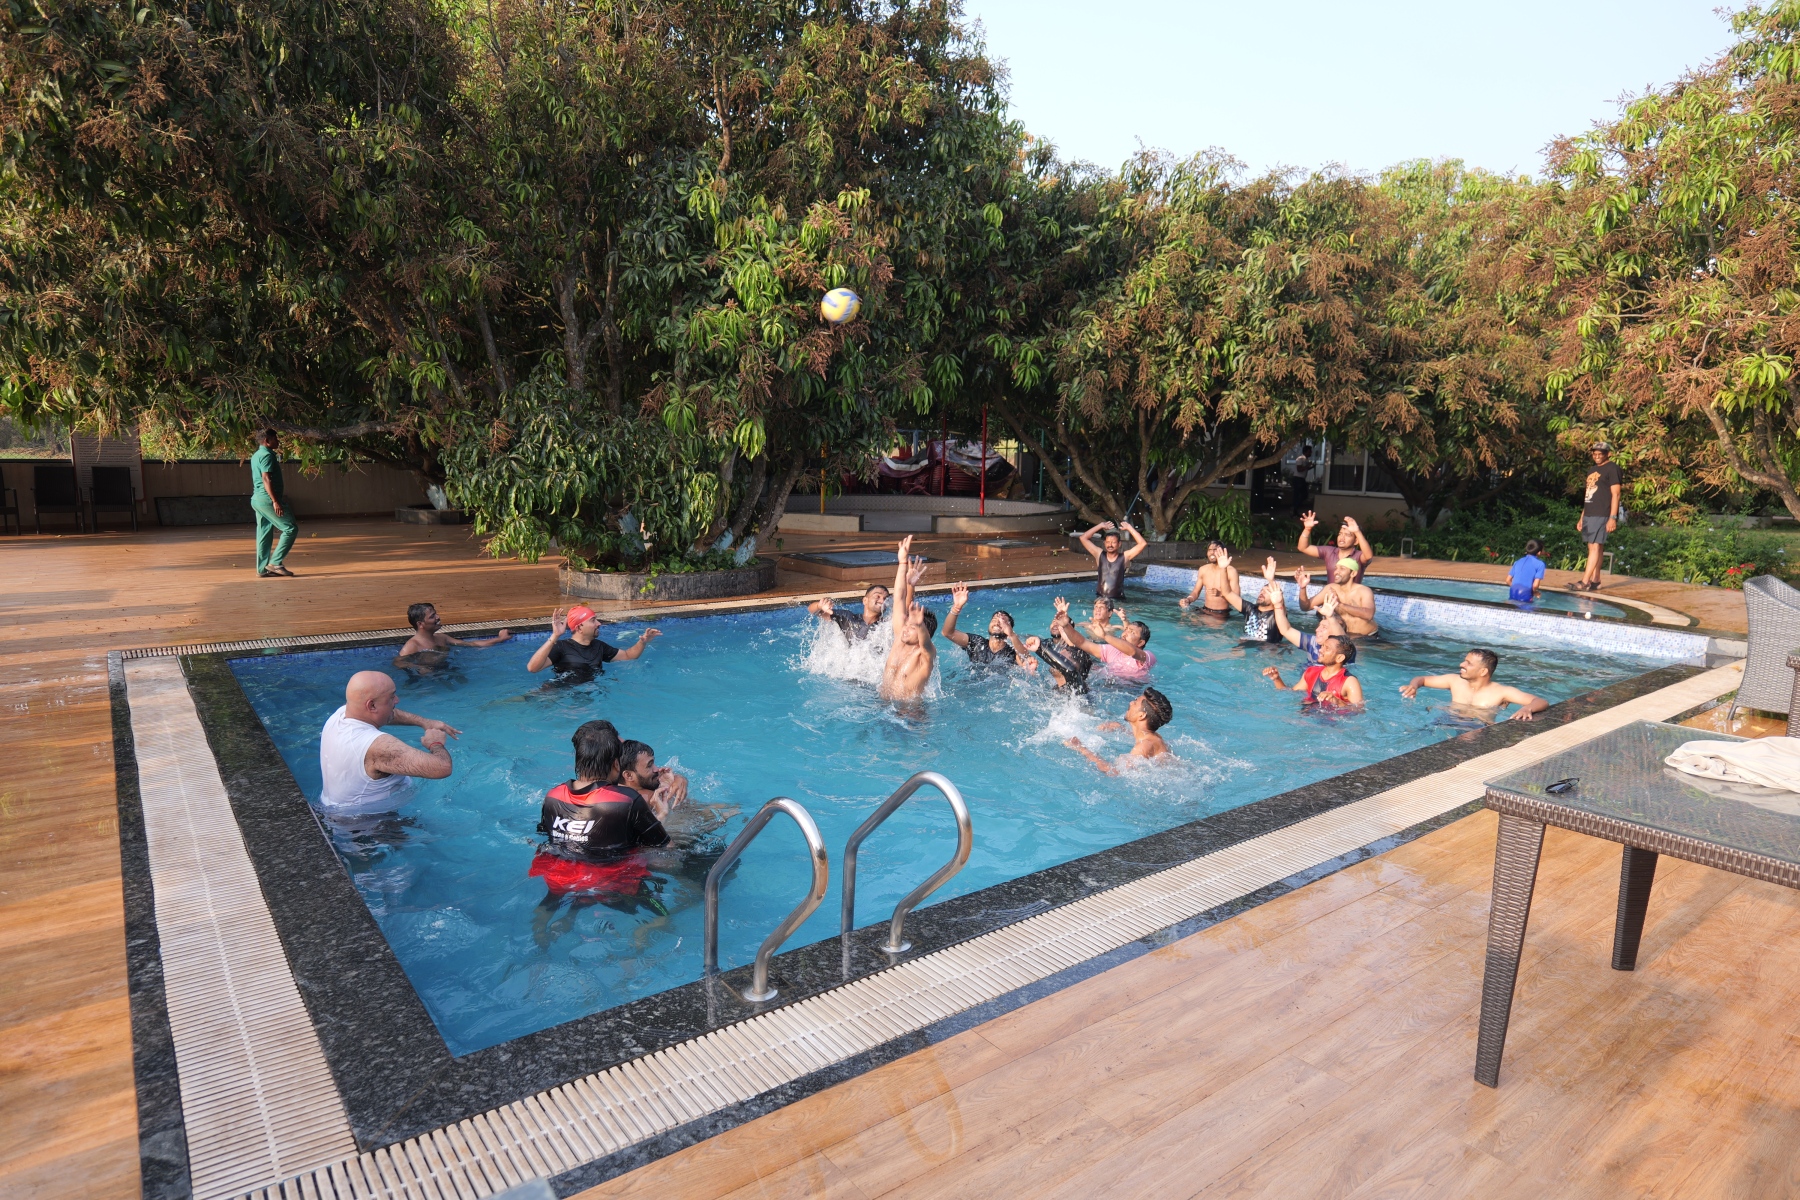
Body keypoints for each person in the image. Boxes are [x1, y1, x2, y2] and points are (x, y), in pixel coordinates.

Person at [530, 721, 672, 943]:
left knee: (555, 900)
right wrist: (662, 814)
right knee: (664, 918)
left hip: (560, 878)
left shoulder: (553, 796)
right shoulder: (627, 800)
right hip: (611, 882)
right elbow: (663, 847)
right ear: (616, 764)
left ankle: (542, 936)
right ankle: (636, 945)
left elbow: (548, 838)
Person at [318, 670, 461, 810]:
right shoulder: (377, 746)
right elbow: (442, 768)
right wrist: (435, 743)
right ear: (372, 705)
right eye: (391, 697)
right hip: (370, 820)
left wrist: (424, 722)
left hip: (334, 808)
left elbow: (387, 712)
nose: (397, 700)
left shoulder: (341, 715)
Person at [1399, 649, 1548, 721]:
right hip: (1447, 720)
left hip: (1477, 729)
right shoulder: (1454, 681)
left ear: (1483, 671)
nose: (1461, 664)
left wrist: (1527, 708)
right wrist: (1414, 686)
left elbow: (1540, 701)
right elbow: (1422, 679)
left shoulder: (1502, 692)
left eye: (1468, 663)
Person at [879, 535, 937, 701]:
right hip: (882, 704)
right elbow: (899, 598)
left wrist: (919, 625)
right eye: (907, 625)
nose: (905, 629)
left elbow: (926, 644)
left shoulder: (924, 655)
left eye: (912, 628)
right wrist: (902, 563)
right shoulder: (900, 638)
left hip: (911, 712)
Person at [526, 605, 660, 676]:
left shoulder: (599, 647)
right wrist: (555, 636)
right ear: (579, 627)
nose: (599, 623)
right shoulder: (561, 647)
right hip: (562, 696)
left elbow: (628, 656)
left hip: (588, 696)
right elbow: (533, 668)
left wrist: (643, 642)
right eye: (593, 620)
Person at [1065, 687, 1174, 773]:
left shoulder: (1143, 746)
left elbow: (1115, 772)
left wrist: (1081, 748)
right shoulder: (1155, 738)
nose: (1131, 703)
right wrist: (1121, 729)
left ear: (1141, 715)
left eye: (1135, 702)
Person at [1054, 596, 1156, 682]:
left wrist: (1105, 636)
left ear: (1141, 642)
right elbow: (1082, 642)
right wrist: (1065, 625)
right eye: (1126, 630)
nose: (1125, 633)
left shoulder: (1148, 657)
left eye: (1132, 632)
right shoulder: (1111, 650)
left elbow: (1132, 652)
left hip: (1130, 691)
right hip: (1104, 686)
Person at [395, 603, 513, 666]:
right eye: (432, 616)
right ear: (420, 624)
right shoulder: (412, 645)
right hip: (427, 682)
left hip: (446, 672)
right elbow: (398, 663)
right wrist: (420, 668)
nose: (438, 617)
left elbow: (472, 644)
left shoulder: (442, 638)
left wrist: (500, 639)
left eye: (436, 614)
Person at [1262, 636, 1364, 707]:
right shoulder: (1311, 672)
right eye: (1322, 646)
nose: (1320, 650)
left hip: (1333, 725)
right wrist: (1276, 679)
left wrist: (1337, 701)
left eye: (1327, 648)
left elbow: (1359, 711)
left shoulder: (1350, 681)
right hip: (1306, 716)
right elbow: (1290, 693)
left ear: (1339, 658)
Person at [250, 428, 298, 578]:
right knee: (290, 528)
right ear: (267, 441)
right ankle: (275, 563)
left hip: (257, 500)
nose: (278, 441)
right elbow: (266, 478)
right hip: (267, 500)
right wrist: (275, 501)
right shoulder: (266, 456)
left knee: (264, 533)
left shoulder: (257, 455)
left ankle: (262, 569)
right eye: (275, 439)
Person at [943, 584, 1028, 666]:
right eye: (994, 619)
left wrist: (1012, 635)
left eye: (1003, 621)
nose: (997, 623)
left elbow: (1026, 661)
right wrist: (956, 608)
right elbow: (948, 633)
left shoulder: (1012, 652)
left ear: (1009, 628)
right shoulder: (977, 643)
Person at [1577, 442, 1622, 591]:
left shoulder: (1612, 469)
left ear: (1608, 454)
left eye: (1600, 454)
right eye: (1594, 454)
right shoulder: (1592, 470)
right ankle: (1596, 580)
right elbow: (1589, 494)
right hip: (1590, 512)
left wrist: (1612, 517)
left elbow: (1616, 494)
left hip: (1602, 513)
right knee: (1595, 546)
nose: (1597, 456)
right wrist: (1582, 516)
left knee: (1595, 547)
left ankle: (1585, 581)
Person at [1296, 560, 1379, 637]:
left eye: (1342, 569)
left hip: (1366, 638)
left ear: (1353, 573)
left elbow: (1368, 615)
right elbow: (1305, 607)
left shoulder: (1364, 591)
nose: (1336, 572)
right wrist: (1303, 588)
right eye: (1336, 568)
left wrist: (1340, 605)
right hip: (1341, 636)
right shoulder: (1330, 588)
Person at [1022, 610, 1096, 692]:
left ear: (1076, 664)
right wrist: (1033, 674)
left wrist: (1039, 648)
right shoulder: (1057, 689)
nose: (1058, 656)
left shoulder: (1078, 687)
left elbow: (1070, 670)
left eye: (1062, 657)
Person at [618, 738, 691, 819]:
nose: (657, 769)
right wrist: (670, 785)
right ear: (628, 775)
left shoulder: (619, 787)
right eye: (649, 765)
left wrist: (678, 779)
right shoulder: (640, 799)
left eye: (653, 763)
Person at [1078, 520, 1148, 601]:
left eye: (1113, 542)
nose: (1110, 545)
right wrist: (1100, 525)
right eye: (1108, 542)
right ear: (1104, 543)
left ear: (1119, 544)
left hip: (1118, 600)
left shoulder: (1124, 557)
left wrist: (1129, 528)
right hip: (1100, 599)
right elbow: (1083, 538)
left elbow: (1142, 543)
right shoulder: (1099, 554)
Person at [1297, 511, 1373, 583]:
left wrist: (1357, 531)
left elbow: (1368, 556)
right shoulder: (1329, 552)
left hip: (1351, 593)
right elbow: (1303, 548)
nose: (1342, 537)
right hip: (1330, 592)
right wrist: (1307, 529)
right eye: (1340, 534)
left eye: (1347, 535)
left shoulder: (1359, 556)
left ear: (1356, 541)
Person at [1178, 542, 1243, 616]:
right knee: (1183, 618)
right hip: (1205, 609)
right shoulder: (1203, 570)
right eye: (1209, 550)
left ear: (1222, 552)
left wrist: (1220, 593)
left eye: (1215, 550)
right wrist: (1188, 600)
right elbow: (1195, 592)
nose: (1212, 552)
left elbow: (1237, 598)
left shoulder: (1231, 571)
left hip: (1221, 613)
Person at [808, 584, 889, 643]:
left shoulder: (887, 625)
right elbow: (813, 610)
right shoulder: (848, 619)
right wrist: (819, 606)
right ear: (865, 600)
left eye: (885, 599)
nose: (882, 601)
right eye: (877, 596)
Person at [1508, 540, 1547, 604]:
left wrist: (1516, 588)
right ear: (1539, 553)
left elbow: (1508, 580)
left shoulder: (1518, 561)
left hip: (1513, 593)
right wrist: (1534, 592)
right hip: (1526, 595)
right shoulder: (1540, 564)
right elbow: (1535, 585)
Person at [1290, 444, 1314, 518]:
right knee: (1298, 495)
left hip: (1302, 479)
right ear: (1305, 452)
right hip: (1298, 478)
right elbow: (1299, 469)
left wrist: (1311, 467)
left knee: (1303, 495)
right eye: (1309, 452)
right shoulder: (1300, 459)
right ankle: (1293, 510)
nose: (1310, 453)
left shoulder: (1306, 460)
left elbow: (1304, 469)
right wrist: (1307, 465)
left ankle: (1295, 509)